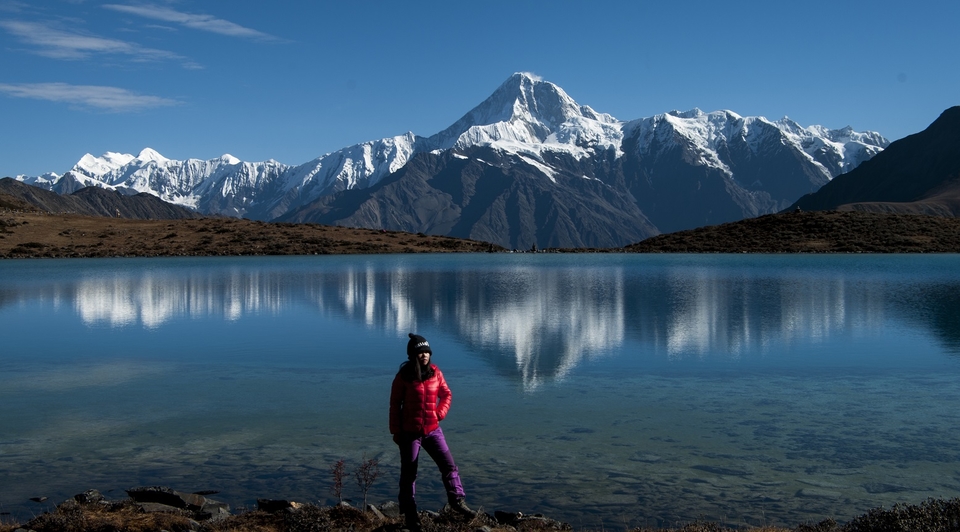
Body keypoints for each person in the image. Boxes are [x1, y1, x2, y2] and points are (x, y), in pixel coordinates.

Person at [390, 333, 477, 530]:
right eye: (420, 353)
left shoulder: (435, 373)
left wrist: (440, 413)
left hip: (433, 430)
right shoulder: (403, 377)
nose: (424, 356)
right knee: (409, 474)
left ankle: (457, 501)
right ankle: (410, 515)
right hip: (410, 433)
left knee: (449, 466)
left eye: (427, 352)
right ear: (412, 355)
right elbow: (394, 405)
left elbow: (446, 394)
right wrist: (396, 432)